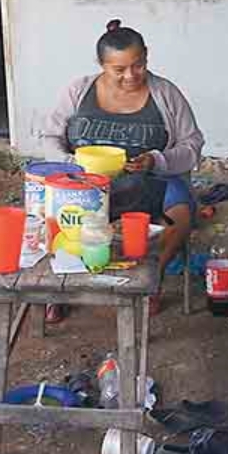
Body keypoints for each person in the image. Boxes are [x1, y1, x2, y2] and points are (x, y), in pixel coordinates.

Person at [41, 20, 205, 318]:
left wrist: (157, 160)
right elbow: (50, 137)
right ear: (101, 65)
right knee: (53, 215)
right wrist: (71, 164)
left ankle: (149, 284)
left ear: (146, 56)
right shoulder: (79, 90)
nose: (131, 75)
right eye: (119, 69)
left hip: (150, 180)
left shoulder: (165, 93)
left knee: (180, 213)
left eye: (138, 65)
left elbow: (193, 145)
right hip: (84, 183)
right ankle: (61, 285)